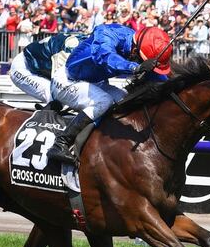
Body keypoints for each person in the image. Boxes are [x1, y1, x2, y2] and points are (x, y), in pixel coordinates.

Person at [47, 25, 172, 164]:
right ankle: (60, 143)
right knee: (104, 101)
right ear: (135, 50)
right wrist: (134, 67)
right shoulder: (107, 33)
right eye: (140, 61)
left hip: (95, 83)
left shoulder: (137, 49)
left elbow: (159, 79)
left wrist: (174, 86)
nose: (140, 63)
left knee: (127, 99)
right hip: (67, 80)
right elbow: (105, 56)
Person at [9, 32, 83, 103]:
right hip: (23, 68)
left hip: (39, 66)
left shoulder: (83, 42)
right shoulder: (67, 51)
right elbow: (59, 83)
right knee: (57, 97)